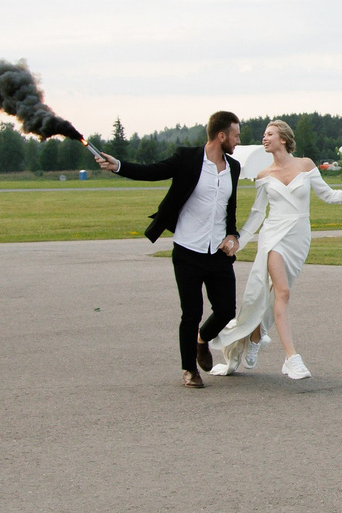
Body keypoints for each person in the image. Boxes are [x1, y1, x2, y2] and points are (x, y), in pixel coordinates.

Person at [91, 111, 244, 389]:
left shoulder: (233, 167)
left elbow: (229, 209)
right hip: (188, 249)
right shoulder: (187, 159)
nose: (238, 141)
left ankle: (202, 340)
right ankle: (189, 370)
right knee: (191, 313)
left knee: (225, 310)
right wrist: (119, 166)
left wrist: (233, 235)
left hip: (218, 252)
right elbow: (152, 171)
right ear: (221, 136)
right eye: (236, 135)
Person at [208, 119, 342, 382]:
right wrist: (239, 240)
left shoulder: (306, 165)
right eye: (264, 135)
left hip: (299, 237)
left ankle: (254, 336)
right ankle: (291, 358)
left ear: (283, 139)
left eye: (269, 134)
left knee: (276, 296)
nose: (265, 138)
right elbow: (257, 214)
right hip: (273, 236)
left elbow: (329, 196)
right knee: (282, 291)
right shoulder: (263, 177)